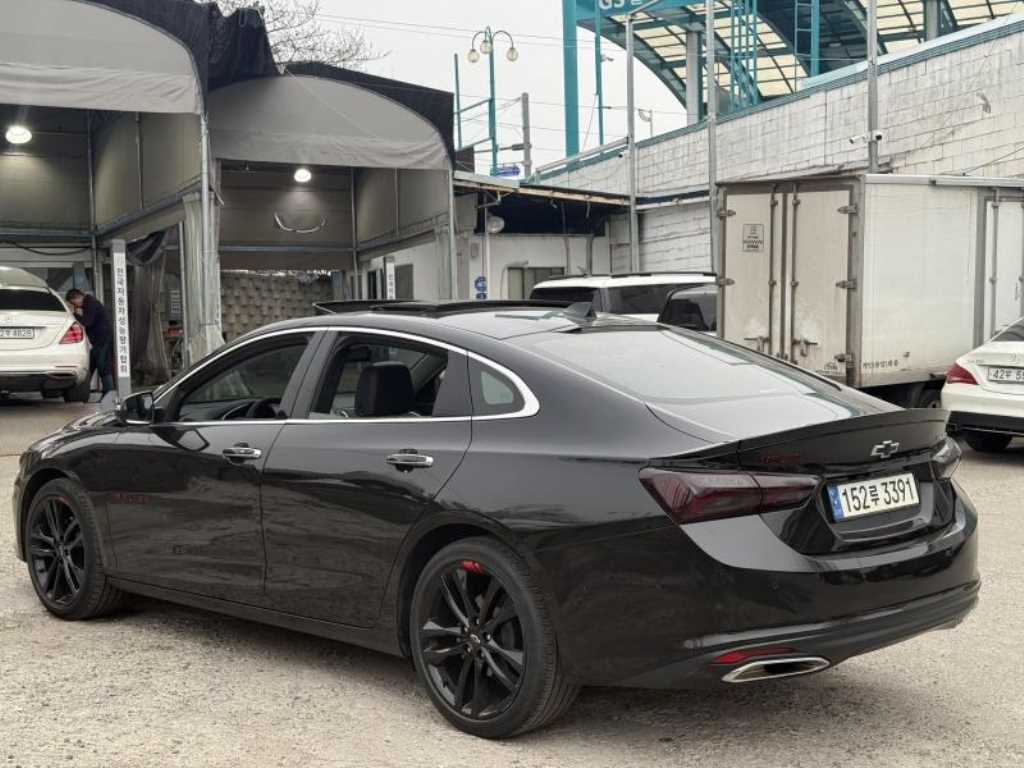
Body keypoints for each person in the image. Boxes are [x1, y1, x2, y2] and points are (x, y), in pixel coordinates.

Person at [65, 288, 114, 397]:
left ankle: (109, 393)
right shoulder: (89, 303)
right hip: (98, 341)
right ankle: (81, 392)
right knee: (90, 365)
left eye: (74, 303)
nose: (76, 306)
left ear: (77, 298)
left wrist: (74, 314)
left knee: (103, 366)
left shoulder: (91, 304)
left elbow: (87, 322)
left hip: (102, 340)